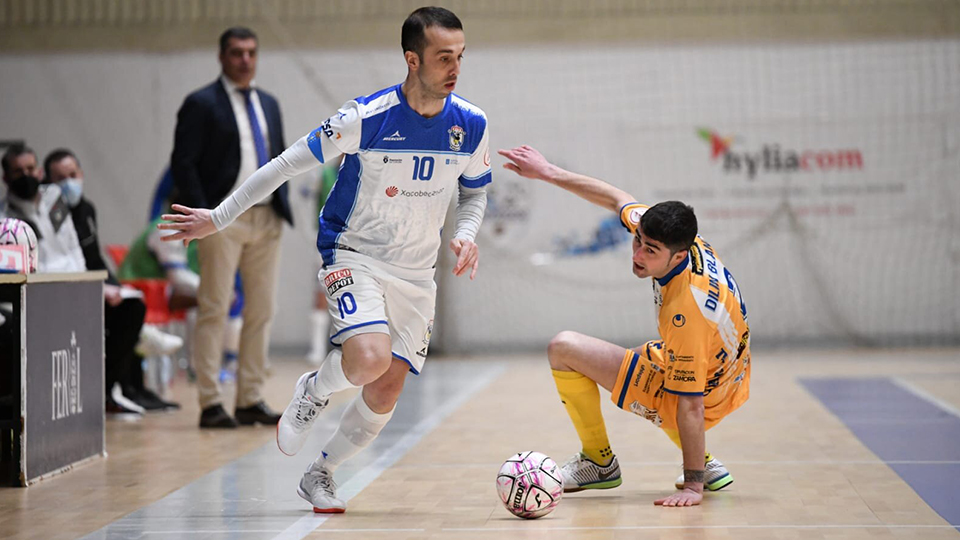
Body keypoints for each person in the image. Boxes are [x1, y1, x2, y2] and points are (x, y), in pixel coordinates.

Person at [160, 6, 490, 513]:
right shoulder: (366, 117)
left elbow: (474, 195)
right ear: (412, 59)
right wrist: (221, 217)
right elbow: (284, 164)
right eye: (444, 57)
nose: (455, 68)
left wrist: (467, 234)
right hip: (353, 253)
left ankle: (322, 473)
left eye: (460, 56)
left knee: (385, 389)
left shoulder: (471, 123)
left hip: (417, 274)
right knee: (368, 358)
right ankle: (314, 389)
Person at [499, 145, 751, 507]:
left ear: (678, 256)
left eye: (650, 251)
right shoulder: (678, 237)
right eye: (638, 242)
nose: (637, 255)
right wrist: (547, 171)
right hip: (727, 366)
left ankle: (600, 462)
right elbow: (617, 198)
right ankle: (707, 466)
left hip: (709, 389)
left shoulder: (686, 312)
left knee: (564, 349)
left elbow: (691, 405)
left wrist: (692, 488)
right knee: (629, 363)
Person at [170, 26, 293, 428]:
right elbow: (183, 162)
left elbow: (283, 159)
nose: (245, 60)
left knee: (262, 309)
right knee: (215, 307)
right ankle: (209, 401)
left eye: (251, 53)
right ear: (222, 57)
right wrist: (204, 214)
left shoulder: (271, 103)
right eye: (237, 53)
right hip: (221, 219)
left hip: (267, 217)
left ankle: (250, 397)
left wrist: (282, 206)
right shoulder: (200, 103)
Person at [43, 149, 181, 411]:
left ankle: (135, 389)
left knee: (131, 304)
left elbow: (93, 258)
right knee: (129, 315)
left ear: (82, 174)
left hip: (94, 283)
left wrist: (115, 286)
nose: (68, 183)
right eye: (60, 178)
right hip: (67, 291)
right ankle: (113, 389)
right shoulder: (50, 215)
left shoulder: (87, 210)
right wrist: (99, 288)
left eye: (72, 175)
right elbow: (62, 263)